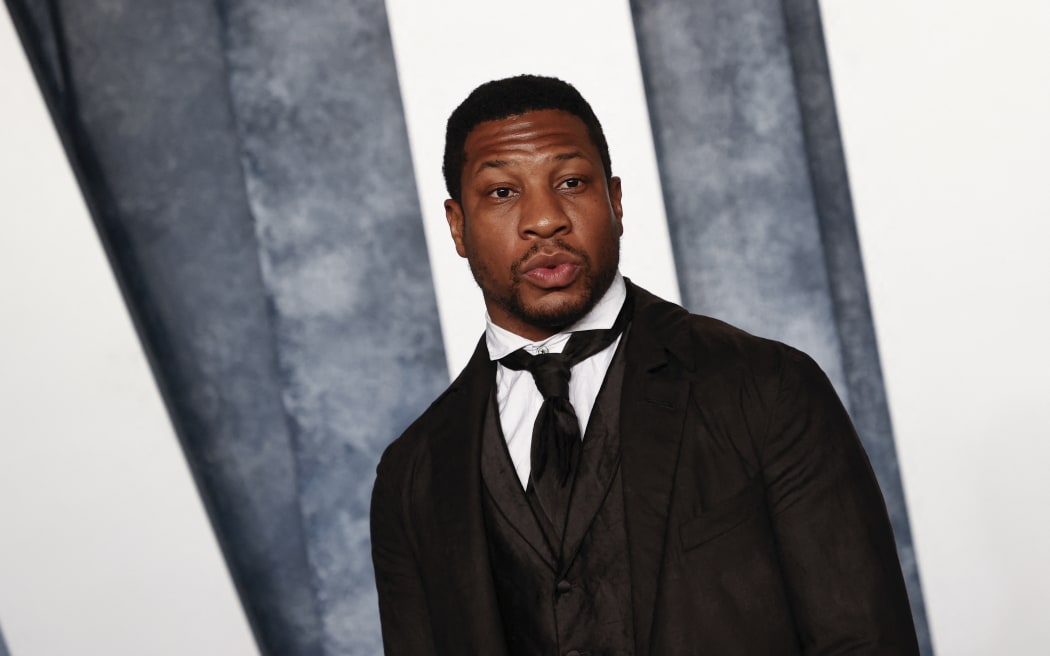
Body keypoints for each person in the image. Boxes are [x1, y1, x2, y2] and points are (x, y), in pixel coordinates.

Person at [371, 74, 919, 655]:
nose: (544, 219)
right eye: (503, 193)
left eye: (571, 182)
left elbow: (865, 641)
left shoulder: (768, 389)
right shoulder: (414, 474)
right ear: (457, 225)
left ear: (616, 201)